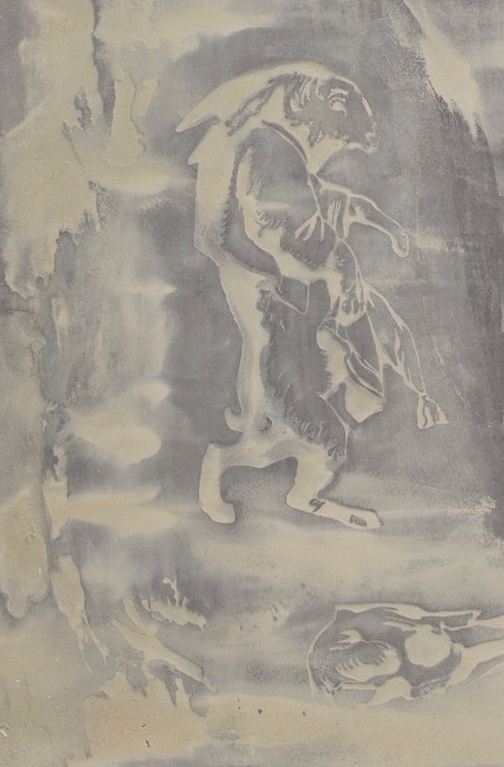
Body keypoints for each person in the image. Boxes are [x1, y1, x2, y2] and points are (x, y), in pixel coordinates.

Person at [181, 63, 443, 525]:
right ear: (325, 115)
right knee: (290, 413)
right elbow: (282, 226)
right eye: (340, 141)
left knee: (305, 426)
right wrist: (342, 263)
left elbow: (333, 202)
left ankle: (283, 468)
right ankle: (243, 453)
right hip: (272, 294)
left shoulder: (287, 159)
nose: (336, 151)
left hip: (287, 299)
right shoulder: (271, 148)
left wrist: (384, 228)